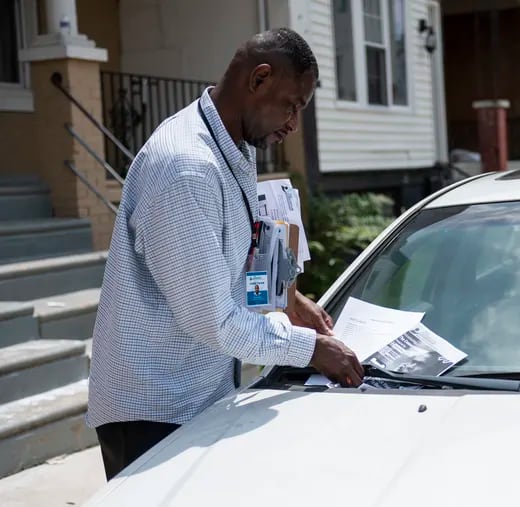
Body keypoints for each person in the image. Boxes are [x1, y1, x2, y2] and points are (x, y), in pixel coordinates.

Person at [86, 28, 363, 481]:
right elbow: (214, 322)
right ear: (259, 79)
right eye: (292, 105)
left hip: (197, 395)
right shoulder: (187, 169)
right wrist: (312, 350)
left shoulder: (232, 143)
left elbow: (237, 245)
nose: (294, 124)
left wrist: (288, 301)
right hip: (151, 411)